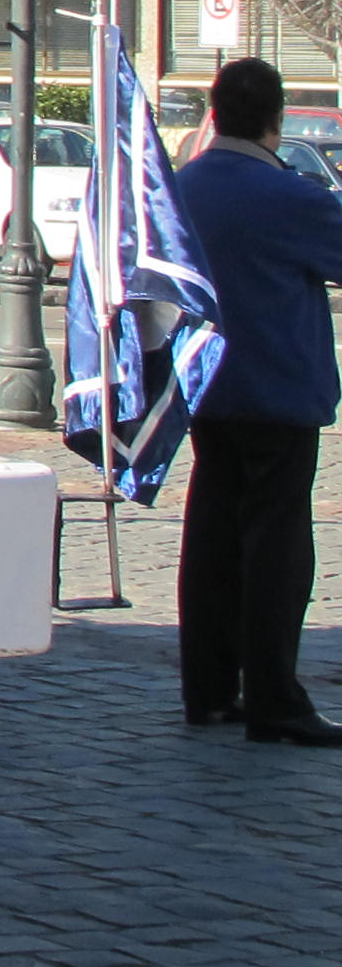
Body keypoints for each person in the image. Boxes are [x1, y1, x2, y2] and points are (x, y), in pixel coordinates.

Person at [168, 55, 342, 745]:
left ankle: (208, 691)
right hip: (278, 391)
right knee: (277, 550)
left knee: (211, 537)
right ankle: (275, 700)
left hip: (205, 389)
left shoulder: (183, 187)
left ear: (213, 115)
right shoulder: (291, 195)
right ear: (277, 118)